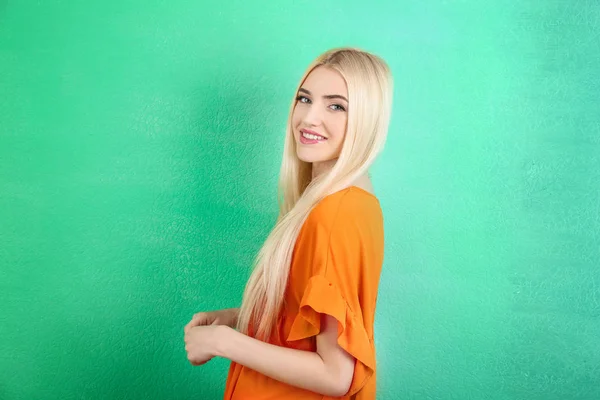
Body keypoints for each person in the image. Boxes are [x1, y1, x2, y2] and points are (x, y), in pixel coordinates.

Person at [183, 47, 394, 399]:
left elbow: (336, 374)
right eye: (304, 99)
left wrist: (225, 342)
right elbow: (309, 323)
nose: (309, 118)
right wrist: (241, 316)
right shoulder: (346, 201)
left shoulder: (337, 212)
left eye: (336, 105)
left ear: (367, 119)